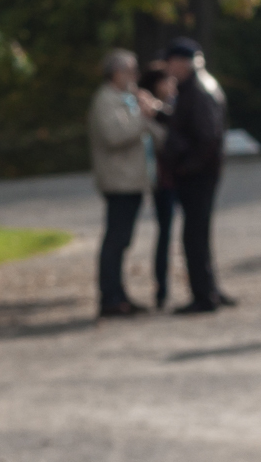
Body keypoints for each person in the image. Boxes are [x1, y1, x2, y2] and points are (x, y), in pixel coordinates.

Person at [86, 49, 165, 318]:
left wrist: (157, 115)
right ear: (117, 73)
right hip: (118, 181)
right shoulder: (105, 100)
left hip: (132, 181)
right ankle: (110, 298)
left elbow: (155, 133)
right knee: (115, 240)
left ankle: (119, 294)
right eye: (132, 71)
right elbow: (114, 135)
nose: (136, 77)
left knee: (123, 240)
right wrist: (143, 117)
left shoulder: (126, 98)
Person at [157, 37, 232, 314]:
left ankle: (203, 295)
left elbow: (207, 136)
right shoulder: (200, 85)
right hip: (202, 171)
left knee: (194, 235)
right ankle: (209, 288)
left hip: (197, 174)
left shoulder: (196, 89)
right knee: (199, 232)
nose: (167, 68)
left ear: (181, 62)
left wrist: (186, 166)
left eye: (169, 62)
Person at [139, 60, 180, 309]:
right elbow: (163, 140)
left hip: (178, 178)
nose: (173, 85)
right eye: (168, 81)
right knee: (165, 234)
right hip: (163, 180)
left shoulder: (172, 106)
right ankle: (162, 289)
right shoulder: (148, 112)